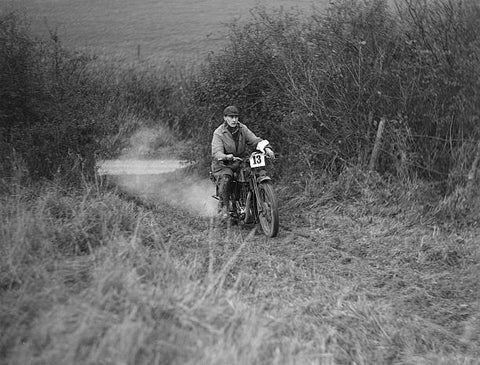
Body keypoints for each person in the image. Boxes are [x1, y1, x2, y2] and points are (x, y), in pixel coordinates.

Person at [211, 105, 275, 219]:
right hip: (223, 164)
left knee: (251, 174)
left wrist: (266, 148)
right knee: (226, 177)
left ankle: (252, 204)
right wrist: (226, 156)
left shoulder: (242, 129)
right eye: (231, 117)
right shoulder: (219, 133)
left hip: (239, 161)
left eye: (236, 117)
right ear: (225, 118)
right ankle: (224, 209)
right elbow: (216, 152)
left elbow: (255, 140)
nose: (234, 120)